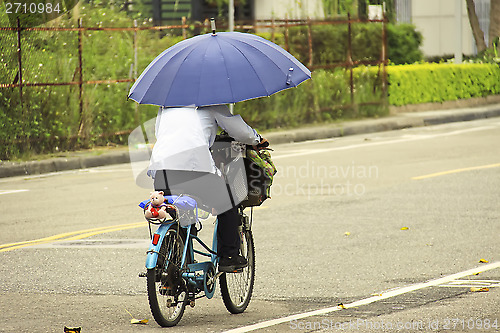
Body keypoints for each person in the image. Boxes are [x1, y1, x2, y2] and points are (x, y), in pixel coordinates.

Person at [148, 104, 267, 272]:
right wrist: (257, 139)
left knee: (179, 213)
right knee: (229, 201)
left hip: (162, 175)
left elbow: (162, 133)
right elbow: (240, 132)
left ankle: (173, 256)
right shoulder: (211, 101)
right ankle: (230, 256)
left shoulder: (166, 105)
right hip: (196, 172)